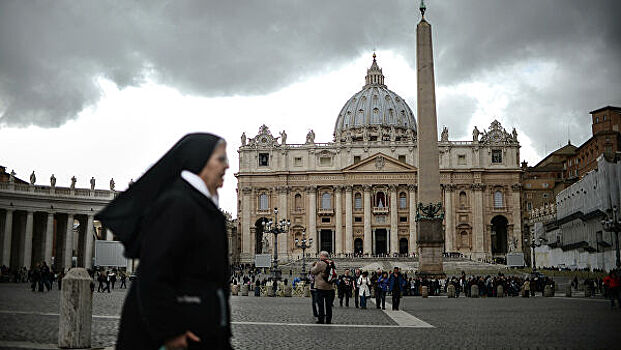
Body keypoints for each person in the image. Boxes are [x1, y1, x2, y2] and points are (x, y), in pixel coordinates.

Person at [96, 133, 232, 349]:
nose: (227, 166)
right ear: (199, 160)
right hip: (174, 336)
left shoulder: (200, 204)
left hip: (198, 329)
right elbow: (154, 272)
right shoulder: (176, 204)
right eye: (221, 159)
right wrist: (170, 332)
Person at [310, 251, 335, 324]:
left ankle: (321, 319)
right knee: (328, 305)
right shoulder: (332, 263)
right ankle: (328, 320)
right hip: (330, 286)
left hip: (321, 287)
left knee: (320, 304)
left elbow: (313, 271)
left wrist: (315, 267)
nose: (319, 257)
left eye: (320, 255)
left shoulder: (320, 263)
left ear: (323, 256)